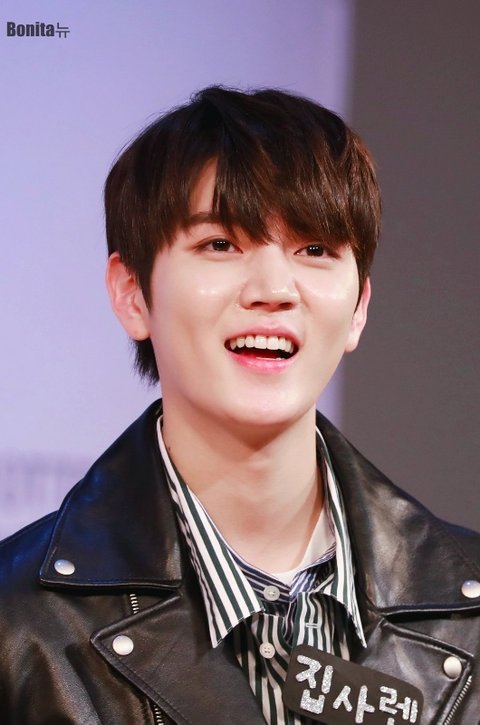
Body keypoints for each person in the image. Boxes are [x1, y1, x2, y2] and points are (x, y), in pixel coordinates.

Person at [0, 87, 479, 725]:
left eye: (315, 249)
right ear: (132, 293)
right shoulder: (20, 624)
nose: (275, 289)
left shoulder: (467, 610)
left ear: (359, 307)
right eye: (221, 244)